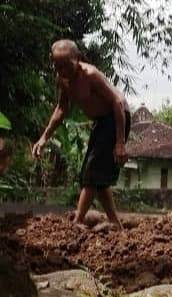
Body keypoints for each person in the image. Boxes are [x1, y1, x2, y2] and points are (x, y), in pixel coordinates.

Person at [32, 39, 130, 227]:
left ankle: (77, 221)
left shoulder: (91, 75)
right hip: (101, 122)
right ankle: (115, 224)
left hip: (116, 117)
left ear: (77, 59)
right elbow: (61, 109)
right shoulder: (62, 79)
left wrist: (120, 142)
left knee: (91, 173)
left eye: (66, 65)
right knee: (97, 177)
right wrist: (44, 137)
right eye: (57, 66)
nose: (62, 71)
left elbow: (117, 102)